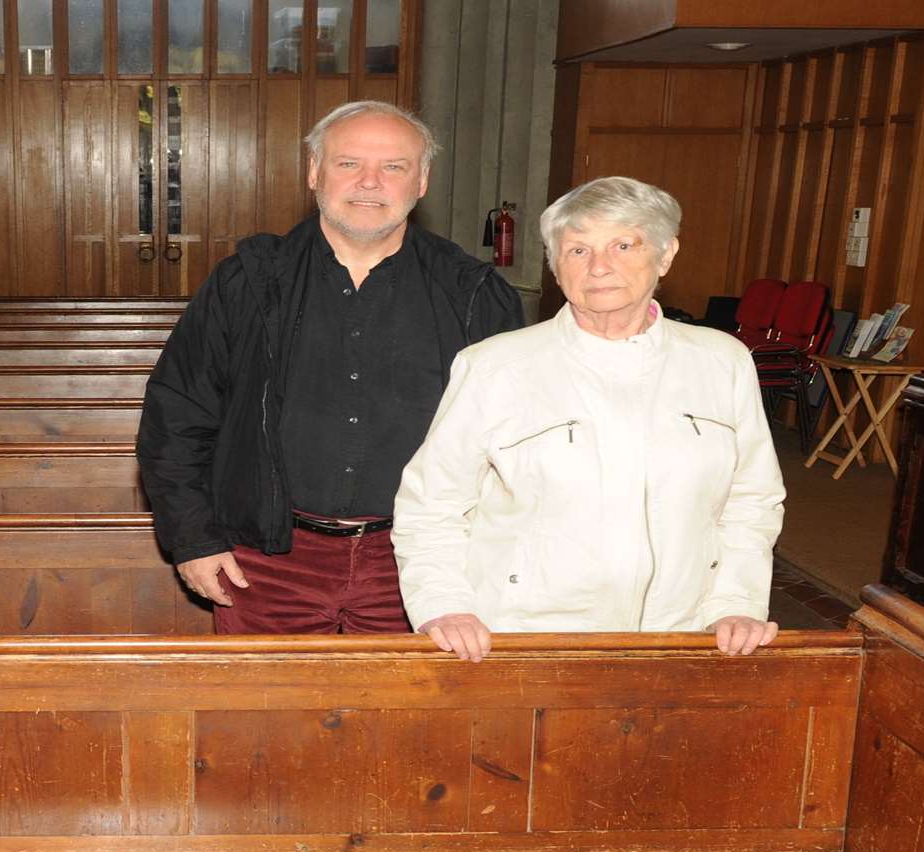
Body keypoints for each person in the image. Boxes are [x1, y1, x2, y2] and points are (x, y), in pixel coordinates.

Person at [135, 100, 524, 634]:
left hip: (422, 566)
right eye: (348, 164)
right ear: (314, 172)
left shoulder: (475, 294)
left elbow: (518, 441)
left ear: (422, 180)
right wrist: (194, 539)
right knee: (262, 717)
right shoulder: (247, 281)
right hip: (266, 562)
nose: (370, 182)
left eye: (393, 167)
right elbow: (178, 415)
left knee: (403, 718)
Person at [393, 176, 786, 659]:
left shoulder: (722, 362)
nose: (600, 266)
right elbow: (431, 504)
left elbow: (752, 499)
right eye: (577, 250)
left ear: (665, 255)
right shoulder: (494, 366)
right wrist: (444, 606)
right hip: (526, 638)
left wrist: (736, 601)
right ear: (556, 266)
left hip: (683, 634)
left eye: (624, 245)